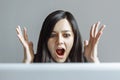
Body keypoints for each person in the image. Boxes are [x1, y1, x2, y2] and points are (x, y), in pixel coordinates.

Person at [16, 10, 105, 63]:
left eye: (66, 35)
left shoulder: (86, 65)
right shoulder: (32, 64)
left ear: (75, 38)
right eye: (52, 35)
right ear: (45, 39)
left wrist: (93, 60)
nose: (59, 41)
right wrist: (27, 62)